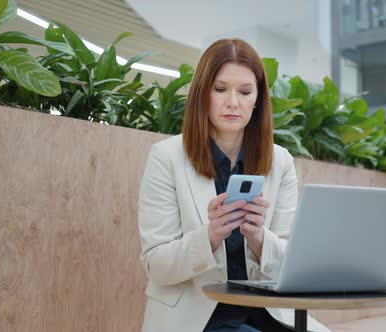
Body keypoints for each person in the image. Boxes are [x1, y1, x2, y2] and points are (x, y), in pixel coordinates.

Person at [138, 38, 329, 332]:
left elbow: (292, 263)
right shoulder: (166, 158)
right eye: (220, 89)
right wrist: (210, 237)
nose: (232, 102)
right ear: (203, 94)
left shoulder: (280, 162)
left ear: (258, 100)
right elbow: (157, 266)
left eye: (244, 92)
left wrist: (259, 240)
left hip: (268, 312)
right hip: (198, 318)